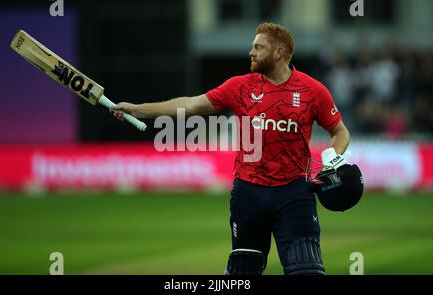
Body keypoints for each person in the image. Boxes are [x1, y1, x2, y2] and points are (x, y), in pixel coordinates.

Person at [111, 22, 350, 275]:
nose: (251, 52)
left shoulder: (312, 90)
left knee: (307, 270)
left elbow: (340, 132)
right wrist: (136, 109)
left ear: (279, 52)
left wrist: (331, 160)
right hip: (249, 194)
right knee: (242, 275)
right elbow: (190, 105)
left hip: (295, 194)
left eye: (258, 47)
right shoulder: (239, 86)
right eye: (252, 47)